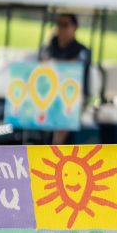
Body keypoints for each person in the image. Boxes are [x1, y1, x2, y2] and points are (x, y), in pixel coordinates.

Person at [40, 13, 91, 144]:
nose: (61, 28)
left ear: (75, 27)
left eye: (65, 25)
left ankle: (55, 148)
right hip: (49, 92)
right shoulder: (49, 47)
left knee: (64, 109)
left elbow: (73, 68)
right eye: (59, 25)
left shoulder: (81, 51)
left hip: (73, 93)